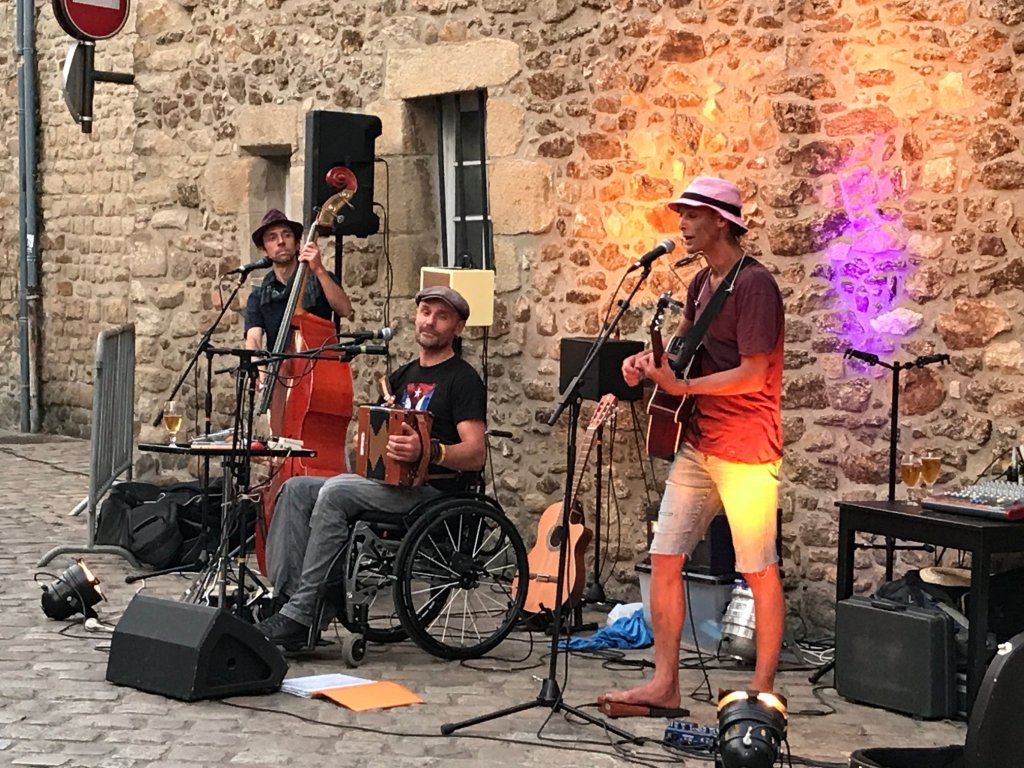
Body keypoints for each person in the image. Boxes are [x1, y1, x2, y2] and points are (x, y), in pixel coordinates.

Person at [602, 176, 786, 711]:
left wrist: (683, 387)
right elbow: (683, 345)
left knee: (757, 569)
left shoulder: (755, 286)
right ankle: (665, 684)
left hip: (746, 447)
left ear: (721, 222)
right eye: (680, 215)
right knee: (664, 558)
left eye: (691, 215)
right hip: (699, 441)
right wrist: (646, 364)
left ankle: (762, 691)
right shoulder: (702, 281)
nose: (681, 224)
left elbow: (753, 373)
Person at [255, 285, 487, 648]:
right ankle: (287, 601)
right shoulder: (401, 377)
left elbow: (475, 453)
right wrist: (363, 443)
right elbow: (371, 431)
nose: (430, 322)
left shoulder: (463, 379)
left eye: (442, 316)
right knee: (295, 489)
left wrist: (429, 451)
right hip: (387, 485)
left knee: (336, 491)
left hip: (431, 492)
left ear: (457, 328)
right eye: (425, 312)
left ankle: (303, 613)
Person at [243, 208, 353, 353]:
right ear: (264, 250)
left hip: (320, 361)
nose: (281, 242)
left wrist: (319, 269)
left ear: (297, 244)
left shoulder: (321, 279)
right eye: (272, 237)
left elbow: (345, 310)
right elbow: (253, 338)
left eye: (287, 235)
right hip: (280, 366)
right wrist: (257, 362)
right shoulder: (259, 296)